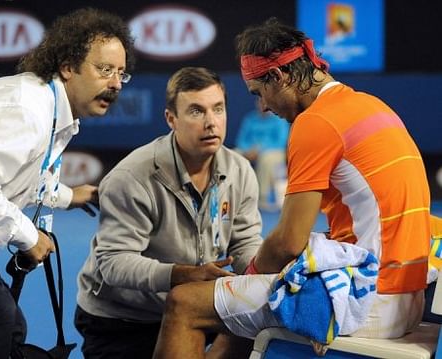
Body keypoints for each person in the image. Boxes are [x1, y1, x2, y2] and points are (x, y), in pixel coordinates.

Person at [152, 17, 431, 359]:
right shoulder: (371, 105)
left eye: (260, 93)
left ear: (279, 77)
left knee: (184, 302)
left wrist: (246, 275)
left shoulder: (316, 122)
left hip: (370, 301)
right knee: (239, 311)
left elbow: (287, 242)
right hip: (407, 297)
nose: (264, 107)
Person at [0, 8, 134, 359]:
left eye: (122, 73)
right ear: (67, 66)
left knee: (6, 324)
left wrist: (69, 196)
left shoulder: (47, 105)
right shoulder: (29, 109)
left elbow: (13, 174)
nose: (116, 83)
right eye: (104, 69)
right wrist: (28, 237)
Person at [75, 67, 262, 359]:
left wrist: (271, 273)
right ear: (171, 119)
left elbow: (244, 243)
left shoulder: (239, 170)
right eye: (196, 112)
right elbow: (113, 264)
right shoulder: (132, 177)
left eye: (218, 109)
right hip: (123, 320)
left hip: (195, 308)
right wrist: (180, 275)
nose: (211, 123)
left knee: (259, 321)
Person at [235, 98, 290, 209]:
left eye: (266, 103)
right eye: (260, 103)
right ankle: (234, 195)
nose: (263, 106)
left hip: (273, 153)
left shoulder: (280, 119)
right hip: (249, 151)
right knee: (234, 154)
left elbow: (281, 142)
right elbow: (241, 140)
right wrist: (247, 150)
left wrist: (260, 150)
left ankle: (262, 197)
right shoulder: (250, 119)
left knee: (266, 158)